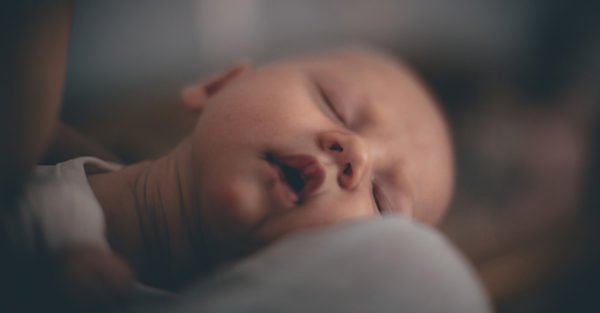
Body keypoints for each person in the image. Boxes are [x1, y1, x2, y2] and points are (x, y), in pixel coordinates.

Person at [11, 47, 455, 307]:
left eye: (381, 200)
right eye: (335, 105)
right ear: (219, 85)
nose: (356, 154)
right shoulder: (27, 154)